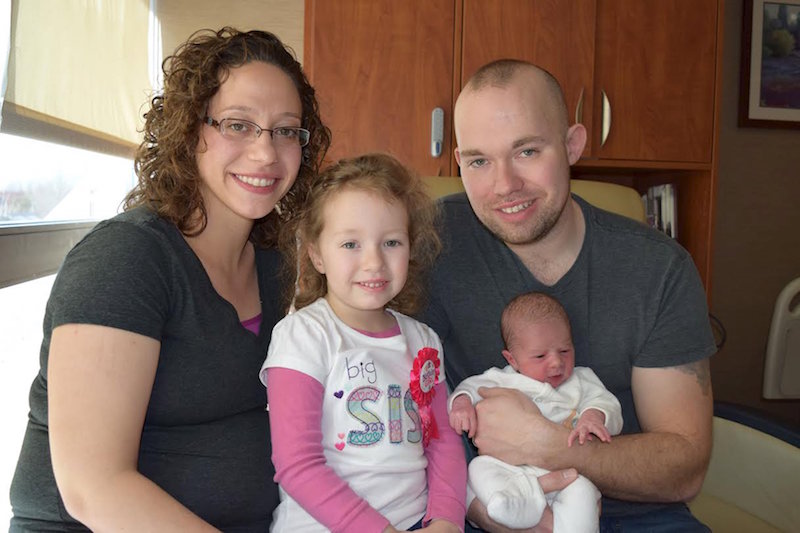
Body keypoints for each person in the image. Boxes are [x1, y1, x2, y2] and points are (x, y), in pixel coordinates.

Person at [9, 27, 330, 532]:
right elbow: (94, 488)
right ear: (190, 129)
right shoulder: (128, 259)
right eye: (238, 124)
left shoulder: (273, 263)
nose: (267, 153)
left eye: (286, 130)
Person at [420, 59, 716, 532]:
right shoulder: (427, 246)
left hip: (636, 515)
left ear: (573, 144)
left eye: (527, 152)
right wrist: (470, 505)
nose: (504, 186)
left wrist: (548, 444)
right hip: (485, 498)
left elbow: (685, 468)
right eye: (479, 161)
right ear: (458, 163)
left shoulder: (658, 269)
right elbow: (385, 404)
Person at [261, 153, 466, 532]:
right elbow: (297, 465)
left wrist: (447, 520)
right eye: (351, 245)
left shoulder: (423, 340)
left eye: (390, 242)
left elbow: (443, 441)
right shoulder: (303, 335)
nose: (374, 262)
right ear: (317, 253)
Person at [449, 291, 623, 532]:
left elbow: (607, 403)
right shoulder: (502, 379)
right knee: (478, 470)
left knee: (584, 494)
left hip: (568, 473)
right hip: (512, 472)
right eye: (540, 355)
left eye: (564, 351)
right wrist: (461, 403)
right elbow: (468, 388)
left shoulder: (582, 380)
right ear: (513, 360)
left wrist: (594, 415)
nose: (556, 363)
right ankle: (515, 506)